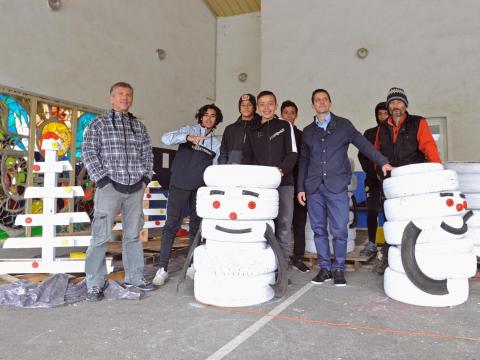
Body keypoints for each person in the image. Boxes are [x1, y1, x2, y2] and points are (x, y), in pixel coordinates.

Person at [297, 89, 392, 287]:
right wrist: (301, 188)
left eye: (324, 99)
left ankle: (339, 270)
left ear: (330, 102)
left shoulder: (344, 125)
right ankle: (324, 268)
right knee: (318, 229)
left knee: (339, 229)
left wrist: (382, 161)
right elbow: (304, 161)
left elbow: (363, 144)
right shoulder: (307, 131)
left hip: (337, 186)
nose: (321, 102)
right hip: (314, 187)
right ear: (312, 105)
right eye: (317, 100)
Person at [82, 82, 154, 301]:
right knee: (100, 237)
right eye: (120, 95)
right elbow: (88, 152)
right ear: (111, 99)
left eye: (129, 95)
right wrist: (102, 180)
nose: (125, 98)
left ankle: (135, 277)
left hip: (135, 189)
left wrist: (145, 179)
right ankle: (94, 283)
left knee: (133, 236)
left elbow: (147, 154)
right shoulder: (98, 124)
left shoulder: (139, 127)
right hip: (109, 187)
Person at [374, 87, 441, 274]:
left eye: (399, 102)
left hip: (413, 181)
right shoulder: (382, 127)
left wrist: (438, 170)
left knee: (415, 219)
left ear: (405, 104)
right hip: (390, 184)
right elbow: (376, 152)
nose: (396, 106)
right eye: (392, 103)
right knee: (390, 220)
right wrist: (379, 173)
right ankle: (390, 259)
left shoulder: (417, 123)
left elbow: (429, 146)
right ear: (388, 106)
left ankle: (419, 258)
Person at [153, 104, 222, 286]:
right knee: (171, 226)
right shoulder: (189, 130)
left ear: (216, 120)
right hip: (179, 185)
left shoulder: (216, 144)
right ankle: (162, 269)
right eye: (205, 115)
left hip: (200, 190)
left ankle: (192, 265)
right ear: (200, 117)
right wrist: (187, 137)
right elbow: (165, 138)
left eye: (213, 116)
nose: (208, 118)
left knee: (196, 228)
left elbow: (215, 169)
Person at [242, 91, 298, 268]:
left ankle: (281, 269)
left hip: (284, 184)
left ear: (275, 105)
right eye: (262, 104)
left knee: (283, 226)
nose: (266, 108)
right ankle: (263, 267)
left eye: (270, 104)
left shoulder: (284, 125)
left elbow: (293, 153)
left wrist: (280, 171)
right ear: (258, 107)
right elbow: (247, 158)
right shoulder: (252, 129)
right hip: (260, 188)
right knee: (262, 227)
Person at [281, 100, 309, 273]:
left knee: (299, 223)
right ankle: (279, 258)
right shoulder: (276, 133)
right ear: (281, 114)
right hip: (281, 185)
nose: (289, 115)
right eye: (286, 112)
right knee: (281, 224)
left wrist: (303, 186)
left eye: (292, 112)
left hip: (299, 186)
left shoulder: (302, 136)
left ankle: (298, 257)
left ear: (296, 115)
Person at [358, 102, 389, 257]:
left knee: (391, 211)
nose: (382, 117)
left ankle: (391, 244)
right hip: (372, 179)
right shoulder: (369, 133)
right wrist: (372, 173)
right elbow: (361, 155)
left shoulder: (393, 133)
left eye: (385, 113)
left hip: (390, 181)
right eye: (379, 114)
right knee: (372, 210)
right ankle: (372, 243)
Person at [219, 94, 260, 164]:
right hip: (232, 171)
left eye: (249, 104)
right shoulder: (229, 129)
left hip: (254, 171)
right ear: (239, 108)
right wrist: (224, 168)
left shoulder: (261, 127)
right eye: (243, 105)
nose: (246, 107)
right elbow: (223, 153)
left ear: (254, 108)